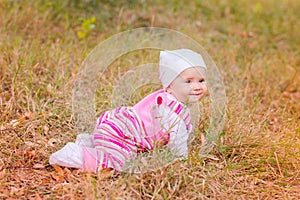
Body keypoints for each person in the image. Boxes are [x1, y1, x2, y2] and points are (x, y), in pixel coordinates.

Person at [49, 49, 208, 173]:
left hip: (116, 129)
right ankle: (74, 155)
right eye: (188, 81)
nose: (197, 86)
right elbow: (178, 139)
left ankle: (91, 141)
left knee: (118, 150)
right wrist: (182, 163)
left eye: (201, 80)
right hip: (122, 134)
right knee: (116, 165)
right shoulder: (170, 109)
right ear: (170, 85)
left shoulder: (169, 99)